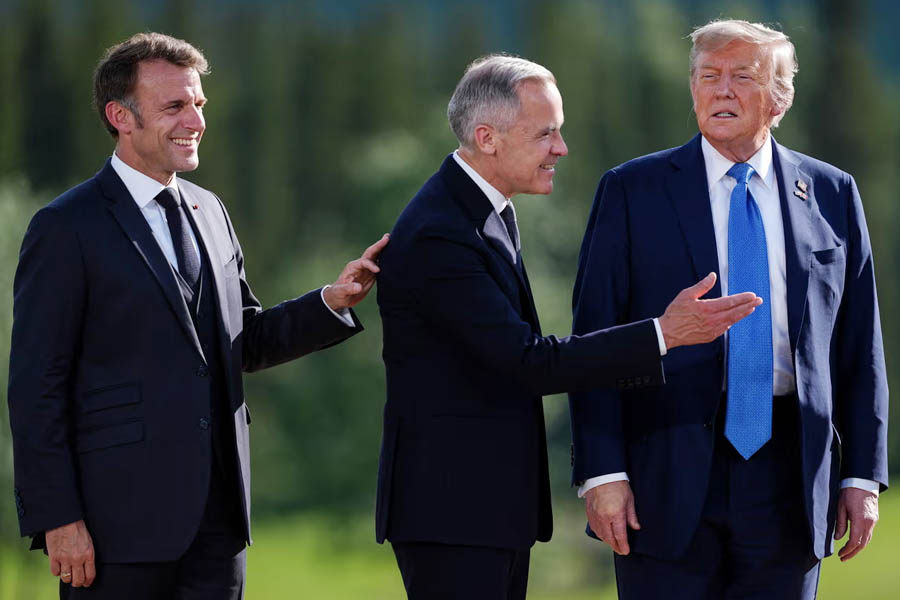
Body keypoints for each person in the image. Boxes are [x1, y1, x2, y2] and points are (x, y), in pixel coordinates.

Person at [7, 32, 387, 599]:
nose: (196, 120)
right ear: (121, 116)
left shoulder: (211, 212)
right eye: (175, 106)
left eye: (199, 104)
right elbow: (37, 386)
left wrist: (329, 303)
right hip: (116, 530)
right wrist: (58, 518)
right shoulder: (65, 228)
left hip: (219, 524)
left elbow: (245, 340)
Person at [374, 53, 761, 600]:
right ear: (487, 137)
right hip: (453, 514)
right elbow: (524, 362)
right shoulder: (441, 233)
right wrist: (664, 334)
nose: (561, 149)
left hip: (485, 513)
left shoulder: (478, 212)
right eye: (546, 135)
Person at [569, 19, 888, 600]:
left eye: (743, 77)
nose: (721, 90)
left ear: (781, 97)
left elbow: (859, 344)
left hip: (791, 473)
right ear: (692, 89)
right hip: (661, 470)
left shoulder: (832, 192)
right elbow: (596, 339)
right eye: (708, 76)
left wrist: (862, 475)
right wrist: (603, 472)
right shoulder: (631, 190)